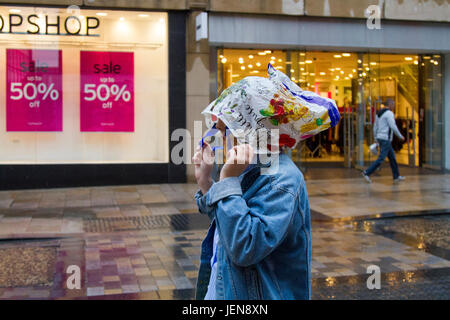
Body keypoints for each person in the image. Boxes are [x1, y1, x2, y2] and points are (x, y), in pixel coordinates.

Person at [191, 64, 340, 300]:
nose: (221, 141)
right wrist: (206, 184)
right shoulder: (245, 166)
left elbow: (245, 246)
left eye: (226, 132)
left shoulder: (283, 180)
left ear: (249, 131)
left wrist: (227, 180)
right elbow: (228, 227)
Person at [362, 98, 406, 183]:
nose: (394, 106)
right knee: (381, 158)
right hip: (385, 139)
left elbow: (375, 126)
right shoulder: (389, 114)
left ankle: (396, 176)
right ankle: (367, 172)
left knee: (392, 158)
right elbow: (393, 126)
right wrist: (400, 136)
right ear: (389, 105)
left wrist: (376, 138)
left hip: (381, 137)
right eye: (393, 104)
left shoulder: (379, 113)